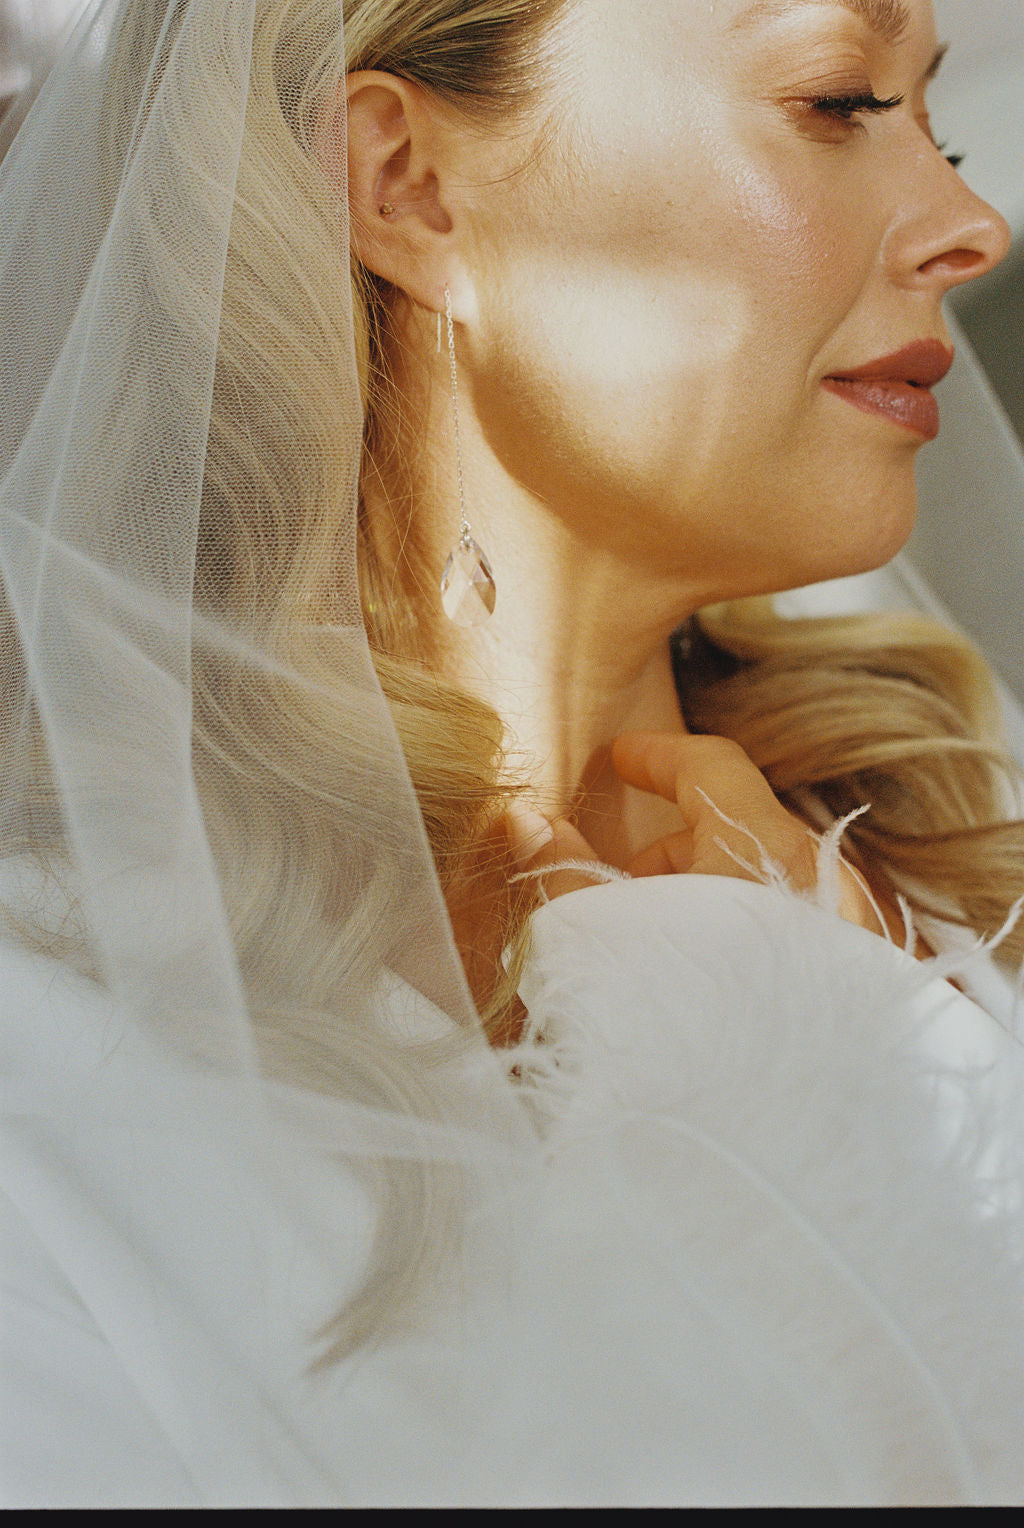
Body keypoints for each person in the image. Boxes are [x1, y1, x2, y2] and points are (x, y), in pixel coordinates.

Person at [2, 0, 1023, 1507]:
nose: (970, 222)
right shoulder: (56, 1063)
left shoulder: (951, 863)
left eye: (937, 124)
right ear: (403, 183)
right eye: (833, 97)